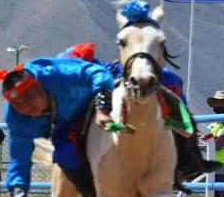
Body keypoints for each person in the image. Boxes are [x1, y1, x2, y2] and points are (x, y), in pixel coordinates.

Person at [0, 57, 115, 197]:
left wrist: (103, 109)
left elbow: (97, 74)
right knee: (65, 153)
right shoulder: (17, 119)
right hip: (64, 124)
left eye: (29, 97)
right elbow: (19, 162)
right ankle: (90, 195)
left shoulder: (53, 73)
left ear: (38, 86)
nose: (27, 107)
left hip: (94, 96)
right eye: (19, 104)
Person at [57, 42, 220, 185]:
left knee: (177, 115)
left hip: (147, 86)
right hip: (123, 88)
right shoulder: (104, 70)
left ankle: (190, 161)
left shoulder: (167, 77)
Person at [207, 90, 224, 197]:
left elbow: (218, 144)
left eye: (221, 101)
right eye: (216, 102)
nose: (218, 104)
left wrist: (208, 142)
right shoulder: (216, 123)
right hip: (215, 166)